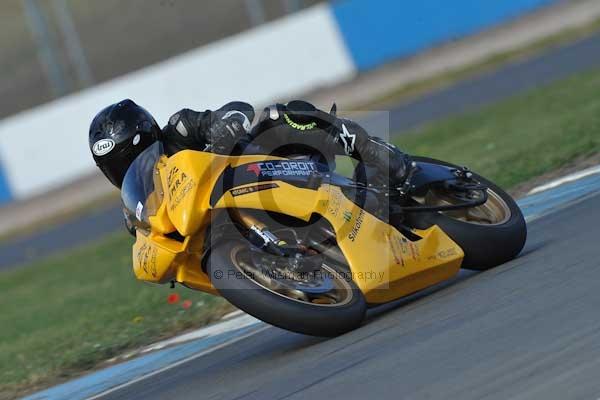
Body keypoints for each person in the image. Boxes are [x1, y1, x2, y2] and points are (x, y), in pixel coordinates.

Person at [88, 99, 410, 190]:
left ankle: (372, 150)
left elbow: (238, 109)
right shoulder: (141, 209)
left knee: (280, 116)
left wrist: (224, 130)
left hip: (266, 163)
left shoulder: (180, 128)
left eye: (131, 158)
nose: (128, 170)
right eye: (117, 167)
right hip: (234, 216)